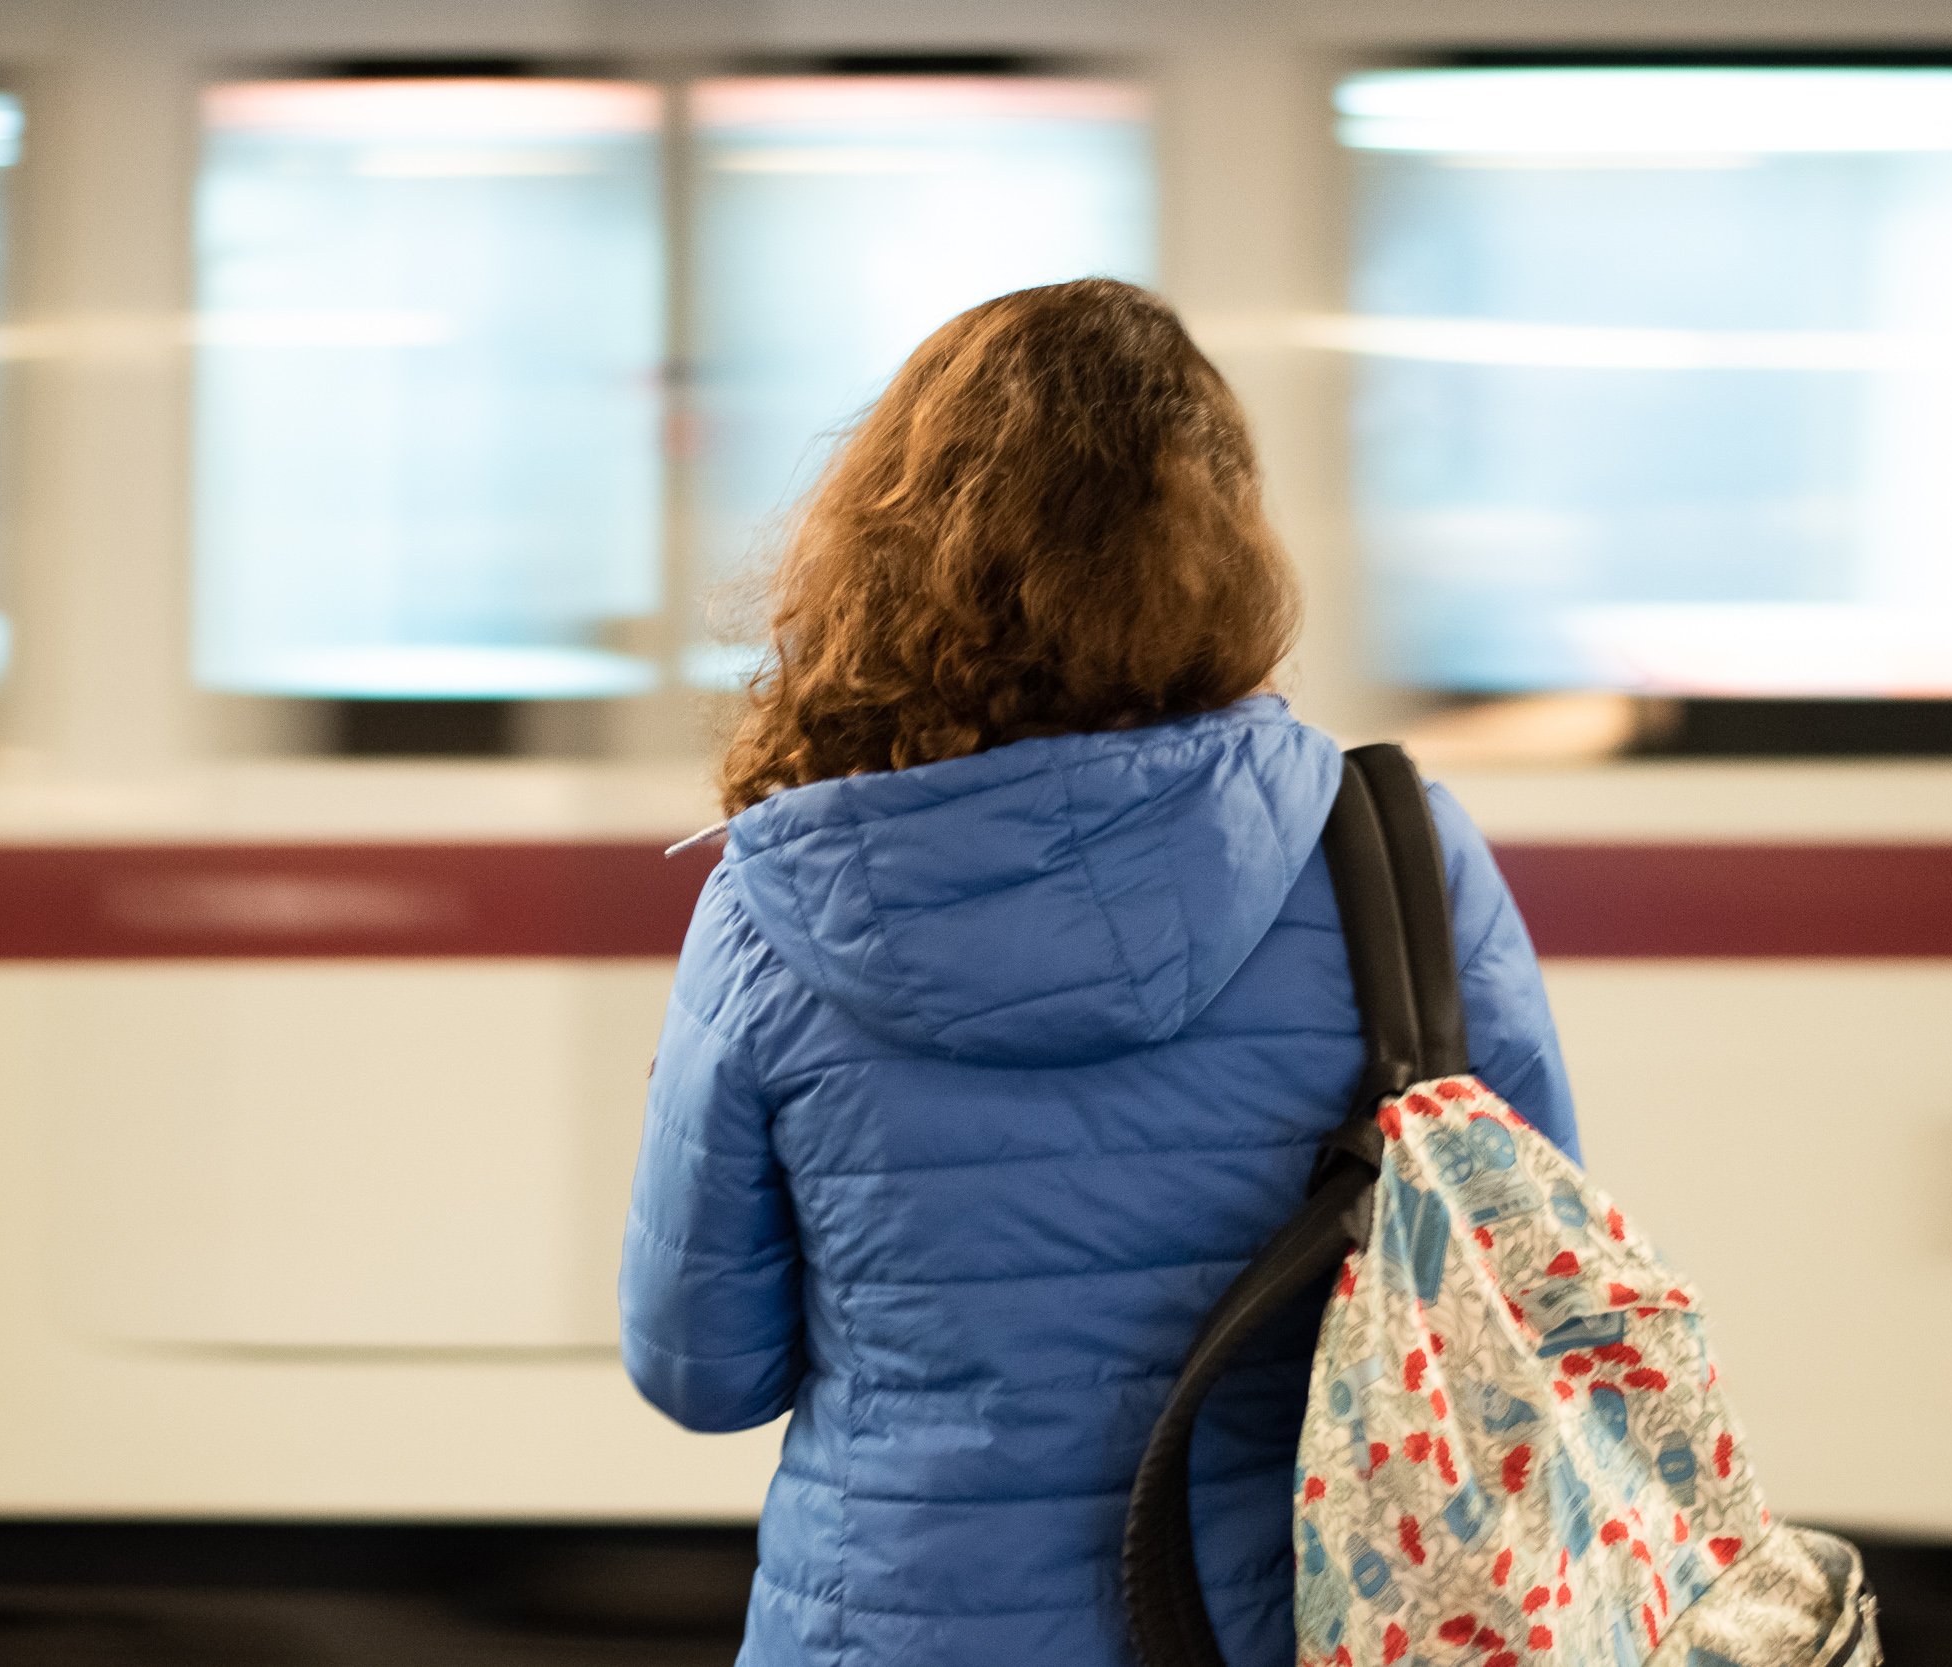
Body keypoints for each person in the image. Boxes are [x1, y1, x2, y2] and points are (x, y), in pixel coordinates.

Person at [620, 278, 1578, 1667]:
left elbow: (702, 1372)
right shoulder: (1393, 855)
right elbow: (1525, 1298)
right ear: (1226, 548)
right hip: (1268, 1628)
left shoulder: (772, 907)